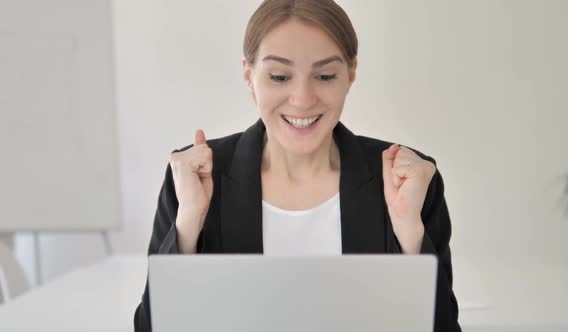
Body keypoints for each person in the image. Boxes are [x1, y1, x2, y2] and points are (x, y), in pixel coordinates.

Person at [134, 0, 461, 331]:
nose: (302, 99)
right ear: (249, 75)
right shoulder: (194, 176)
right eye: (279, 76)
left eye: (325, 75)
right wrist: (188, 227)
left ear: (350, 74)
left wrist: (410, 237)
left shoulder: (407, 179)